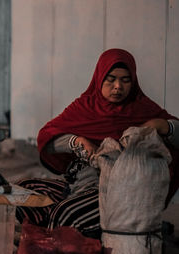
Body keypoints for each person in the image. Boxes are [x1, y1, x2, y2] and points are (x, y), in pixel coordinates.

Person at [16, 48, 179, 238]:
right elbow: (47, 138)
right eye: (110, 79)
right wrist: (76, 141)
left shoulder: (143, 108)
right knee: (23, 193)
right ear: (99, 77)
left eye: (125, 80)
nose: (118, 86)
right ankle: (56, 235)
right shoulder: (85, 106)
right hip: (77, 185)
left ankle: (64, 244)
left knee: (66, 214)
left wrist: (163, 125)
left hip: (117, 193)